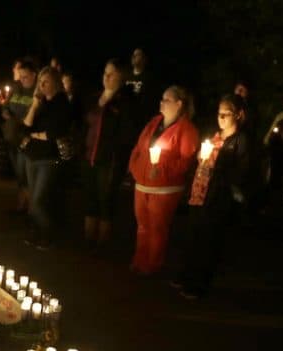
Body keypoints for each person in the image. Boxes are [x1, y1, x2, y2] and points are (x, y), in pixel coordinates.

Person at [174, 94, 251, 299]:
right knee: (193, 235)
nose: (221, 118)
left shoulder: (240, 141)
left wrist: (219, 168)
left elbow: (241, 171)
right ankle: (185, 276)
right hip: (200, 192)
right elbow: (203, 159)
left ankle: (198, 285)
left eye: (226, 114)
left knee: (208, 242)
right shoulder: (216, 136)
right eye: (219, 113)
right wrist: (202, 157)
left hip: (218, 197)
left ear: (239, 115)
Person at [127, 85, 199, 274]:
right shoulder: (154, 123)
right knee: (142, 226)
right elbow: (138, 148)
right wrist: (134, 168)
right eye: (162, 98)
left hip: (164, 190)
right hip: (142, 185)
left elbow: (185, 163)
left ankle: (153, 264)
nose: (161, 103)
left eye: (166, 100)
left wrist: (161, 170)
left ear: (179, 104)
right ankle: (139, 260)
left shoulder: (187, 130)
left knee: (157, 228)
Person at [82, 58, 139, 250]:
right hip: (90, 156)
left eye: (111, 73)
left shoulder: (125, 101)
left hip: (110, 160)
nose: (106, 77)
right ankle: (88, 238)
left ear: (121, 77)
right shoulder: (95, 98)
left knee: (105, 199)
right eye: (105, 72)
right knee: (90, 197)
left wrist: (119, 155)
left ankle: (102, 241)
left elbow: (127, 132)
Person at [20, 66, 72, 249]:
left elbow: (54, 132)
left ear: (56, 82)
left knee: (38, 201)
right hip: (32, 156)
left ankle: (50, 233)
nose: (42, 85)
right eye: (40, 82)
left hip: (48, 158)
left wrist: (36, 134)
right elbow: (26, 125)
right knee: (34, 198)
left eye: (46, 81)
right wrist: (34, 106)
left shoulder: (61, 103)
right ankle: (39, 233)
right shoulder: (41, 103)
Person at [0, 58, 37, 215]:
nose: (22, 80)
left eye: (25, 76)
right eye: (20, 76)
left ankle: (30, 208)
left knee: (26, 174)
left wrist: (21, 120)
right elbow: (5, 106)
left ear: (34, 75)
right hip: (12, 138)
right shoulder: (15, 88)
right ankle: (22, 205)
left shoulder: (36, 92)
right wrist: (5, 112)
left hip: (26, 140)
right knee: (19, 174)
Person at [126, 47, 159, 125]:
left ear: (145, 59)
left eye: (138, 55)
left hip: (140, 120)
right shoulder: (126, 76)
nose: (134, 57)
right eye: (133, 55)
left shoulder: (150, 78)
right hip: (126, 118)